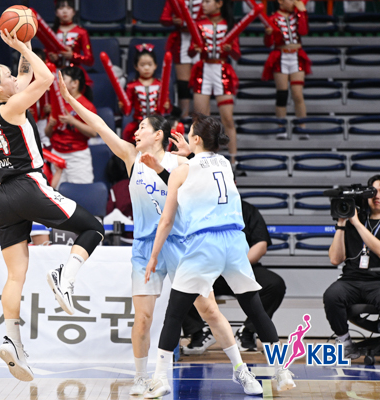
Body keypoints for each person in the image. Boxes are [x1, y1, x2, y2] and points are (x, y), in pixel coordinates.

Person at [58, 76, 263, 397]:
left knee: (210, 310)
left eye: (141, 127)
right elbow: (99, 125)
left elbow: (210, 176)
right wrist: (72, 101)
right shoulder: (131, 156)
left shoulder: (181, 162)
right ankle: (142, 378)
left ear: (158, 134)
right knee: (143, 319)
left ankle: (241, 371)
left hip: (182, 245)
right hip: (145, 248)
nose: (135, 132)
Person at [0, 30, 104, 382]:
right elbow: (44, 78)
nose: (15, 79)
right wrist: (19, 46)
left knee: (15, 275)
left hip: (5, 197)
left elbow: (27, 74)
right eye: (8, 77)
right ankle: (64, 277)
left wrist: (26, 46)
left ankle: (12, 340)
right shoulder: (13, 106)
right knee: (93, 228)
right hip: (29, 186)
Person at [144, 113, 295, 397]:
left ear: (196, 138)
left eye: (190, 133)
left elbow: (167, 219)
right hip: (235, 242)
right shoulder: (225, 164)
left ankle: (160, 378)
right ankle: (281, 370)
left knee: (174, 313)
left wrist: (153, 256)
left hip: (205, 244)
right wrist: (189, 154)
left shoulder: (182, 171)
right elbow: (201, 175)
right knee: (255, 309)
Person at [182, 199, 287, 353]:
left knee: (274, 284)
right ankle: (198, 332)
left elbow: (261, 245)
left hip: (241, 268)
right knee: (180, 280)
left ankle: (248, 331)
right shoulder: (198, 208)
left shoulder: (247, 210)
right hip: (209, 270)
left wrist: (236, 266)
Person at [325, 175, 380, 359]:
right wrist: (341, 224)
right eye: (374, 192)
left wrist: (356, 224)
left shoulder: (357, 222)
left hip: (378, 282)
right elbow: (335, 259)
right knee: (332, 295)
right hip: (351, 280)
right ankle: (345, 341)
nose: (377, 196)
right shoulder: (354, 219)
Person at [188, 0, 239, 165]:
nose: (203, 4)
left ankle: (233, 160)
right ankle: (202, 159)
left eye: (207, 1)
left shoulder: (229, 25)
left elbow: (237, 54)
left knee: (228, 119)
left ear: (219, 4)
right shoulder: (198, 24)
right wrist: (195, 49)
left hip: (222, 71)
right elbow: (190, 51)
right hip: (203, 70)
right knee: (200, 120)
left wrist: (230, 49)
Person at [263, 0, 310, 138]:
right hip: (281, 56)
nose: (295, 2)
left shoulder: (298, 15)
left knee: (297, 94)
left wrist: (302, 13)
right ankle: (281, 128)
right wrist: (268, 34)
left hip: (296, 56)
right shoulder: (272, 18)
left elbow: (303, 31)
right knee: (282, 94)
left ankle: (302, 127)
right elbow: (268, 44)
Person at [44, 66, 96, 189]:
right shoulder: (57, 103)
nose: (58, 82)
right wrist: (50, 125)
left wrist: (72, 121)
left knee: (81, 193)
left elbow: (93, 132)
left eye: (63, 79)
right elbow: (48, 134)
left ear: (74, 83)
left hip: (78, 157)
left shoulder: (87, 106)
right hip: (57, 155)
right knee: (57, 194)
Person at [160, 0, 202, 119]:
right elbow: (164, 18)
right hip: (182, 39)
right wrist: (173, 20)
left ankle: (200, 118)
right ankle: (184, 117)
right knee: (183, 84)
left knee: (201, 83)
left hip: (203, 38)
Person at [122, 44, 171, 144]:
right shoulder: (131, 86)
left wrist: (167, 106)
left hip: (158, 125)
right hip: (138, 125)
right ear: (136, 66)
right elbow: (127, 111)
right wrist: (122, 106)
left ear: (155, 65)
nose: (146, 68)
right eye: (142, 65)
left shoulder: (161, 84)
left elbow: (167, 109)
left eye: (149, 64)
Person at [47, 0, 94, 84]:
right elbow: (45, 57)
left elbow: (90, 60)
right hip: (54, 74)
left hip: (75, 74)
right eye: (61, 8)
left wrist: (73, 56)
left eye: (68, 8)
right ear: (56, 12)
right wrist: (52, 58)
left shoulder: (82, 32)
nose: (65, 11)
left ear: (74, 12)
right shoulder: (51, 33)